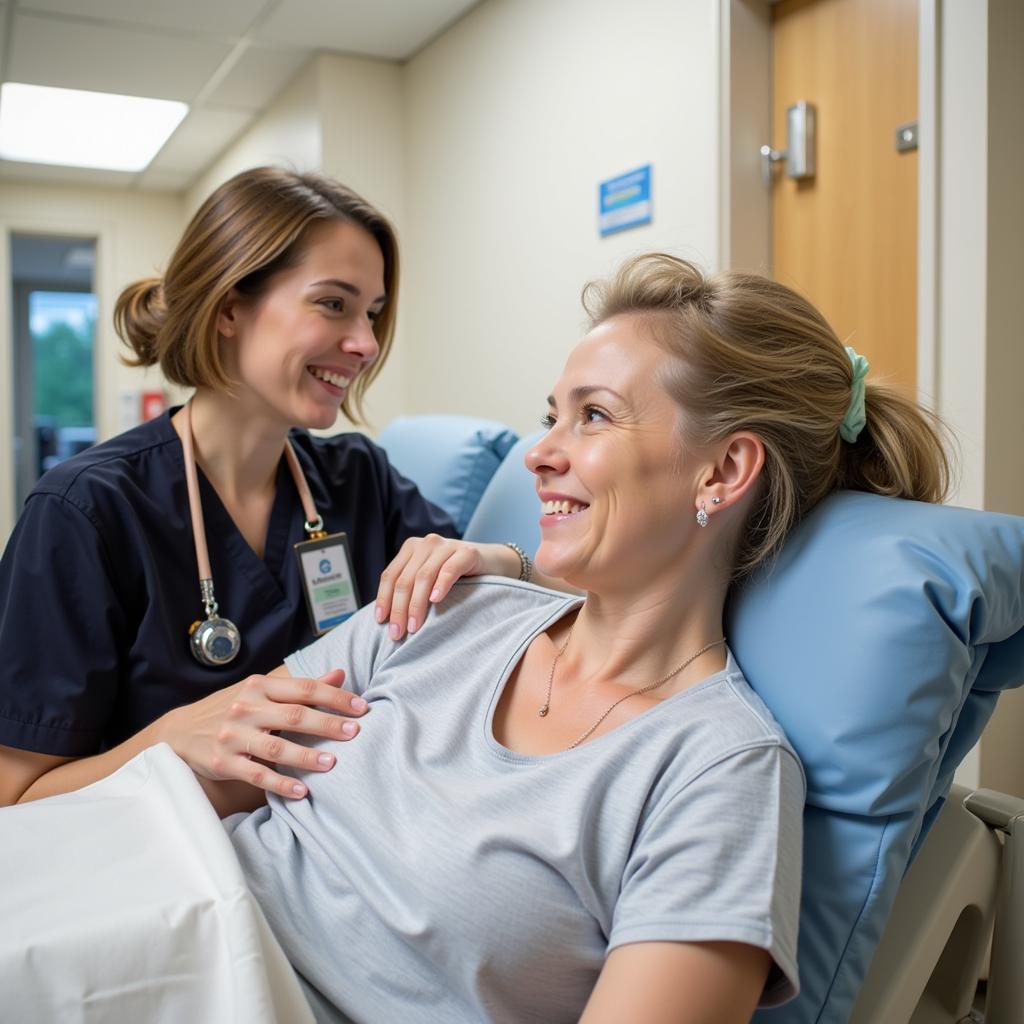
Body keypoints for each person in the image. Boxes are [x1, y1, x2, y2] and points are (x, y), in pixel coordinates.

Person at [1, 253, 951, 1023]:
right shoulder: (441, 608)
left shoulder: (717, 771)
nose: (537, 450)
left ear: (723, 471)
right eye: (551, 416)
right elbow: (178, 792)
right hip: (134, 913)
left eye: (593, 416)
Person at [0, 167, 544, 808]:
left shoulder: (358, 480)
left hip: (351, 846)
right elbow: (18, 795)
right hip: (180, 869)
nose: (366, 343)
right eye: (333, 303)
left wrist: (501, 557)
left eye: (372, 313)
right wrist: (165, 744)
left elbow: (496, 611)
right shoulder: (85, 512)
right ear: (230, 307)